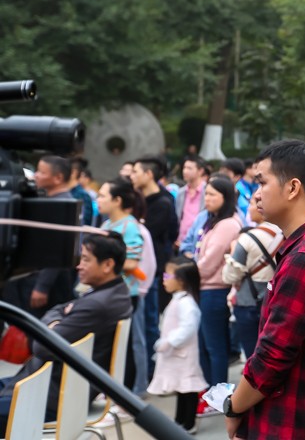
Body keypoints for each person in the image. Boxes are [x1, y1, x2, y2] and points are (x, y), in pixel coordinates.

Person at [224, 140, 305, 440]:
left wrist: (234, 408)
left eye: (262, 182)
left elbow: (272, 355)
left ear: (292, 188)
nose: (256, 194)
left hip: (294, 425)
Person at [0, 233, 133, 429]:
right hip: (49, 388)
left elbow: (40, 347)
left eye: (86, 259)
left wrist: (56, 320)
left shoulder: (97, 305)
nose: (79, 265)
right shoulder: (116, 293)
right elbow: (57, 309)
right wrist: (57, 319)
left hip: (44, 396)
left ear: (107, 265)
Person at [4, 155, 77, 316]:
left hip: (49, 283)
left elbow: (56, 250)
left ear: (58, 178)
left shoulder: (61, 205)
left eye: (41, 172)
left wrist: (42, 286)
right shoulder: (51, 201)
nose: (36, 175)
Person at [97, 176, 146, 397]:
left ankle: (128, 396)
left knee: (125, 347)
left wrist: (104, 263)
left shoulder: (130, 226)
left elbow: (133, 262)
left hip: (126, 294)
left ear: (117, 200)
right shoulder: (107, 224)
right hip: (105, 294)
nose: (98, 200)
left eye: (102, 196)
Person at [196, 175, 243, 403]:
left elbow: (209, 261)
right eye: (206, 193)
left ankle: (218, 397)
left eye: (213, 194)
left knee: (215, 346)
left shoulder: (227, 224)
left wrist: (189, 274)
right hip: (207, 288)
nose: (207, 198)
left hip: (215, 290)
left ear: (225, 198)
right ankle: (211, 394)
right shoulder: (214, 221)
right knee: (208, 344)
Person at [131, 154, 179, 375]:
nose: (132, 176)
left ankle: (150, 371)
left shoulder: (164, 201)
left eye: (136, 172)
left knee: (151, 322)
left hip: (154, 270)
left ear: (148, 174)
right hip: (139, 270)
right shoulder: (137, 198)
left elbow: (163, 233)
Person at [147, 257, 207, 434]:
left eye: (167, 275)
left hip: (184, 354)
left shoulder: (186, 303)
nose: (164, 279)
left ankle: (188, 423)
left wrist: (169, 341)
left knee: (188, 389)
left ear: (181, 280)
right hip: (177, 354)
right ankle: (180, 421)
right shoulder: (178, 300)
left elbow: (188, 327)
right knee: (182, 389)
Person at [222, 194, 283, 359]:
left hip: (248, 301)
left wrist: (233, 250)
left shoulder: (246, 239)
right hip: (275, 300)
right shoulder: (284, 233)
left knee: (253, 355)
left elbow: (229, 276)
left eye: (251, 204)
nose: (249, 208)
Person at [175, 155, 208, 251]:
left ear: (200, 171)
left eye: (189, 168)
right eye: (184, 168)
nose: (185, 171)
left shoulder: (207, 191)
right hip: (180, 243)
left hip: (199, 244)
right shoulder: (181, 193)